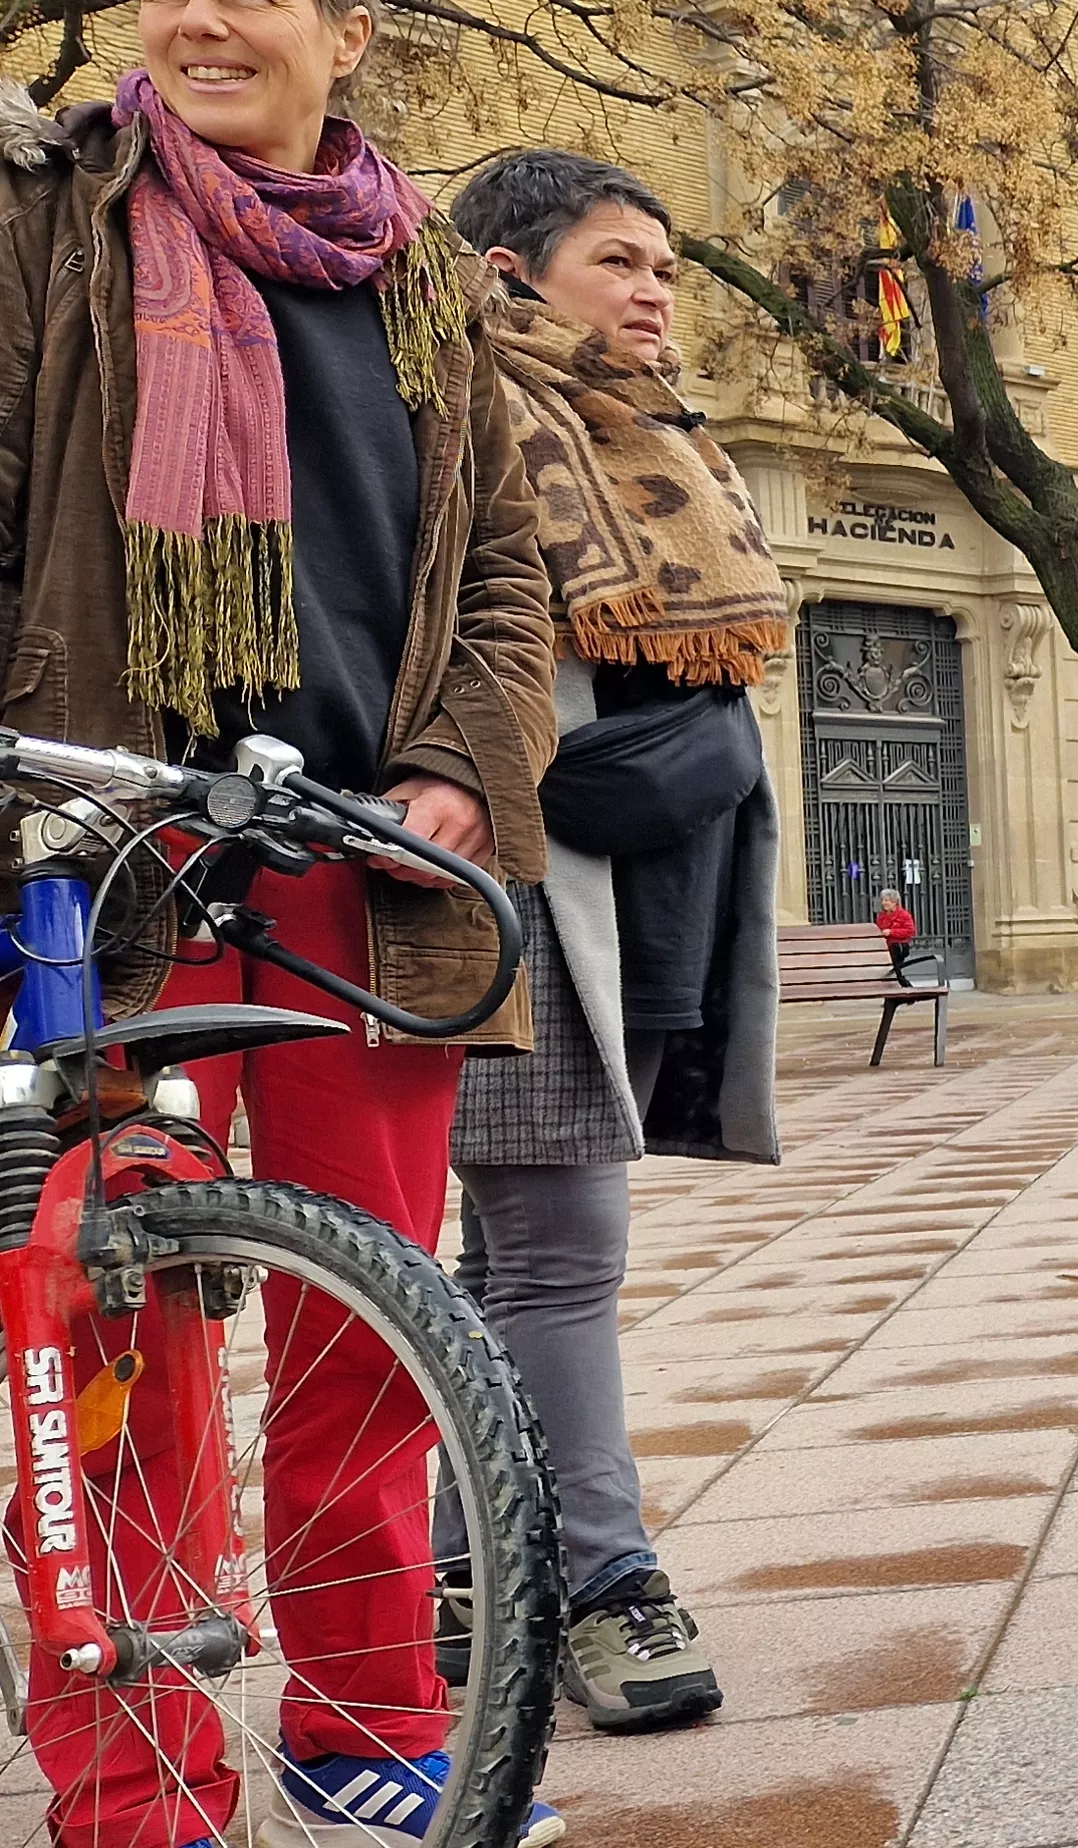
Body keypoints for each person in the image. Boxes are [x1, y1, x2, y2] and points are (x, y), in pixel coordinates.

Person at [0, 3, 561, 1840]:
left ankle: (363, 1727)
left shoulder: (430, 277)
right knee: (106, 1343)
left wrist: (465, 765)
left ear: (352, 32)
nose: (198, 16)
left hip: (356, 868)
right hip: (98, 861)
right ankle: (136, 1783)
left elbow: (500, 576)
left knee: (371, 1343)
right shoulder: (47, 215)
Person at [429, 147, 793, 1734]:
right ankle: (604, 1583)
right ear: (508, 272)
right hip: (513, 885)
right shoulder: (461, 410)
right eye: (617, 264)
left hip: (642, 887)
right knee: (561, 1260)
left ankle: (463, 1572)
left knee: (511, 1261)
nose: (653, 296)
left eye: (664, 269)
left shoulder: (655, 428)